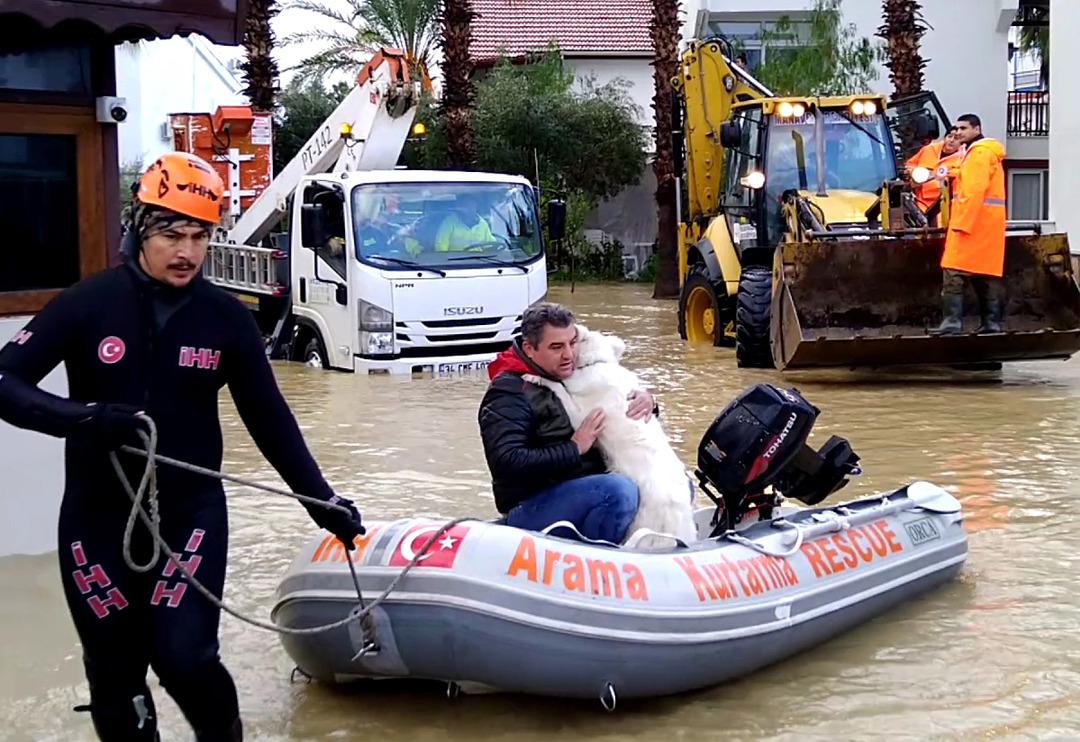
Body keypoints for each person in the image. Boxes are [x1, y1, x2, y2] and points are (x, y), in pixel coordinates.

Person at [0, 152, 364, 741]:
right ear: (140, 229)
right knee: (115, 672)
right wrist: (86, 418)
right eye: (171, 233)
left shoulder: (224, 318)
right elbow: (5, 383)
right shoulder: (88, 303)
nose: (187, 251)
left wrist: (321, 502)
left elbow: (270, 420)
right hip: (95, 519)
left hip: (190, 513)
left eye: (200, 235)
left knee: (186, 658)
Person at [477, 303, 656, 544]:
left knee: (675, 485)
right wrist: (574, 448)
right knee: (617, 491)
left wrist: (647, 403)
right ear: (529, 349)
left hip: (585, 488)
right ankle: (597, 564)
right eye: (556, 347)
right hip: (532, 505)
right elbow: (507, 461)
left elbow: (622, 429)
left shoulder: (573, 373)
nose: (569, 355)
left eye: (572, 343)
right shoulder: (507, 392)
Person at [930, 113, 1008, 335]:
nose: (958, 132)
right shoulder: (983, 154)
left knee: (953, 272)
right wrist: (952, 173)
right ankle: (992, 325)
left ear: (977, 129)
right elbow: (972, 179)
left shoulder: (978, 154)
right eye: (956, 128)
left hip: (970, 225)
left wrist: (960, 224)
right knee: (986, 274)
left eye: (963, 128)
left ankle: (952, 324)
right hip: (988, 227)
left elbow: (973, 191)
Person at [905, 127, 963, 212]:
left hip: (940, 205)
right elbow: (909, 164)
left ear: (962, 143)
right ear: (945, 137)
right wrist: (912, 172)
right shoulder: (929, 149)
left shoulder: (962, 159)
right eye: (950, 136)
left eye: (956, 138)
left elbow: (957, 178)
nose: (952, 140)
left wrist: (931, 176)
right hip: (915, 200)